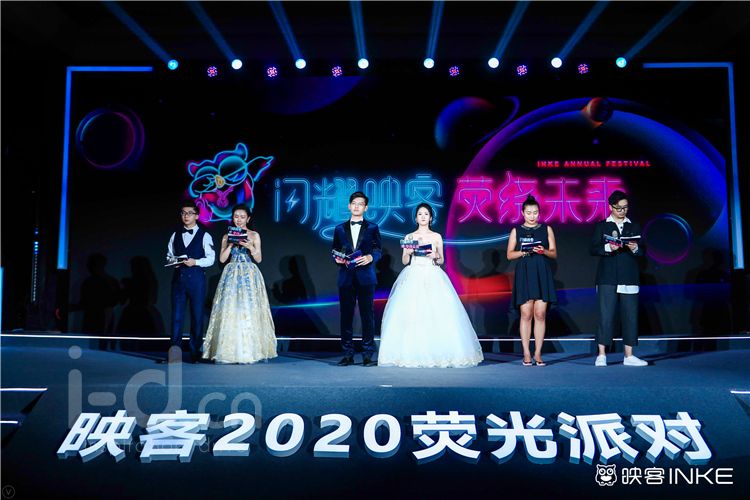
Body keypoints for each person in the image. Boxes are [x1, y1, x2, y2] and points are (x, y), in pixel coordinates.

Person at [378, 203, 483, 368]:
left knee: (437, 313)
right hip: (413, 274)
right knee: (412, 313)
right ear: (415, 218)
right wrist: (409, 253)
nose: (423, 217)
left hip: (432, 274)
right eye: (420, 214)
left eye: (426, 214)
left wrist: (435, 255)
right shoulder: (409, 236)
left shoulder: (436, 237)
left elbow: (441, 260)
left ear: (431, 218)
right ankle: (411, 353)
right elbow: (405, 261)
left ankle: (439, 353)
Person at [202, 204, 277, 364]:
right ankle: (228, 351)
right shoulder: (226, 236)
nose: (239, 220)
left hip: (249, 273)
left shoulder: (254, 235)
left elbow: (259, 259)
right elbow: (222, 259)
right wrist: (230, 244)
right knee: (230, 308)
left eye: (242, 217)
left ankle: (249, 351)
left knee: (248, 309)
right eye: (236, 216)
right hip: (231, 273)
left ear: (248, 219)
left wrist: (250, 246)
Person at [590, 190, 648, 367]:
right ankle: (601, 354)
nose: (622, 211)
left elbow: (642, 251)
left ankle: (629, 355)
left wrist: (634, 248)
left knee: (630, 315)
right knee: (605, 315)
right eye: (619, 208)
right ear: (610, 207)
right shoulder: (602, 226)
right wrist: (608, 248)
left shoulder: (634, 226)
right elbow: (593, 249)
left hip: (629, 275)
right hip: (607, 276)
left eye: (625, 208)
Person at [506, 195, 557, 366]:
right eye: (528, 212)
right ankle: (526, 353)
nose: (532, 216)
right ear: (522, 213)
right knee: (526, 314)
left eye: (535, 212)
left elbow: (554, 253)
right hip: (525, 273)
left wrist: (544, 251)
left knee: (540, 314)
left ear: (539, 213)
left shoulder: (546, 229)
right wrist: (524, 251)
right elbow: (509, 254)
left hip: (542, 272)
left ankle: (538, 353)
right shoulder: (516, 230)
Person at [332, 191, 382, 366]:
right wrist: (337, 259)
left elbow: (378, 249)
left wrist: (370, 257)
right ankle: (347, 353)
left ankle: (367, 354)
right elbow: (334, 249)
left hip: (366, 276)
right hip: (346, 276)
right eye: (354, 203)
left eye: (360, 204)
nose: (356, 206)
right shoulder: (339, 228)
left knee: (367, 315)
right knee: (346, 316)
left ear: (365, 208)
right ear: (349, 206)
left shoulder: (373, 227)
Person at [162, 201, 215, 363]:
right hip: (178, 280)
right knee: (176, 318)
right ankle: (174, 355)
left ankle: (195, 353)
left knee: (197, 317)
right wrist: (174, 261)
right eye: (183, 213)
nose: (186, 216)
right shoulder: (175, 235)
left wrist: (195, 262)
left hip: (197, 280)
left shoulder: (205, 235)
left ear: (197, 216)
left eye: (190, 213)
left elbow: (211, 259)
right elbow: (169, 256)